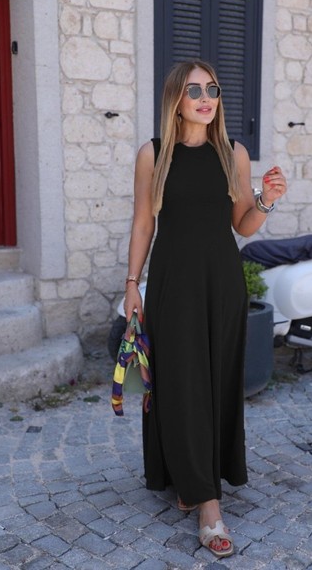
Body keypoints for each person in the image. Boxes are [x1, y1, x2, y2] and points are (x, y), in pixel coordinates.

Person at [124, 59, 287, 558]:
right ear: (176, 99)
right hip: (173, 283)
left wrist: (266, 200)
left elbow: (243, 224)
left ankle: (198, 482)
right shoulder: (153, 154)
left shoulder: (233, 153)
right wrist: (132, 284)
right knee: (180, 382)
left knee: (213, 383)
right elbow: (143, 223)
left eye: (212, 89)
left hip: (221, 283)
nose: (205, 98)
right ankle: (206, 503)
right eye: (194, 90)